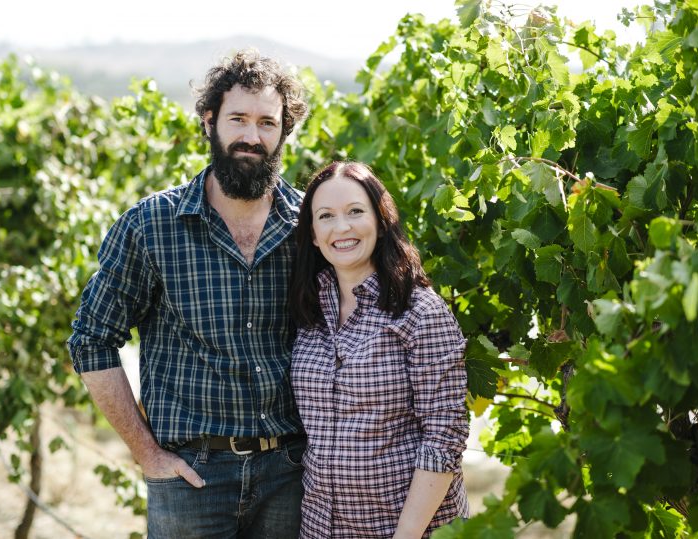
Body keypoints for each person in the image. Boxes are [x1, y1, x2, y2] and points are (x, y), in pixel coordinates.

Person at [68, 49, 309, 539]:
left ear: (285, 131)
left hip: (292, 474)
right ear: (209, 121)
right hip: (191, 476)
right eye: (237, 118)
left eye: (267, 122)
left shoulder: (311, 225)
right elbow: (91, 340)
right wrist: (147, 453)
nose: (251, 136)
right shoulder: (152, 225)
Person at [289, 162, 469, 538]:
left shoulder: (420, 312)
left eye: (356, 211)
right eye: (326, 217)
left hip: (409, 529)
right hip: (322, 527)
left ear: (381, 220)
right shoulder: (308, 313)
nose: (342, 228)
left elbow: (444, 437)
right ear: (314, 235)